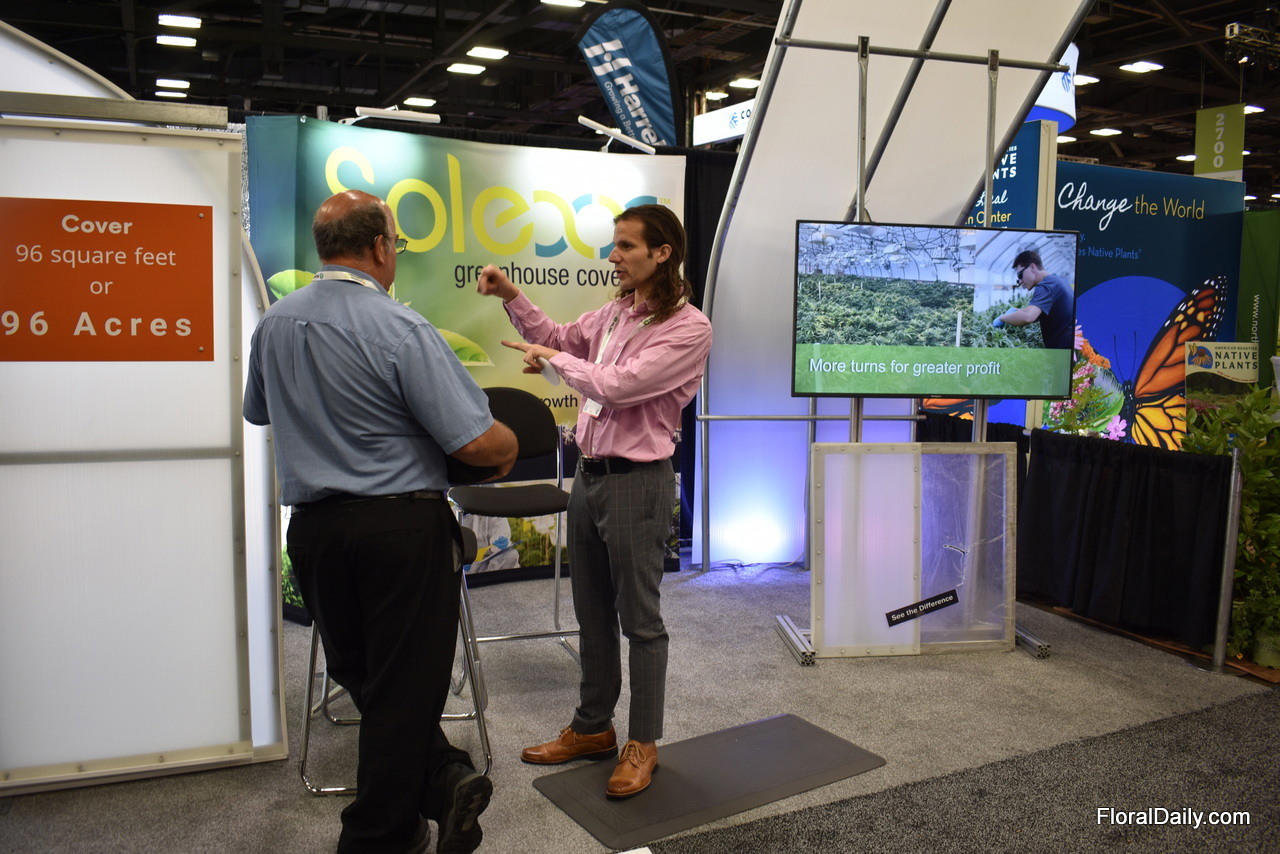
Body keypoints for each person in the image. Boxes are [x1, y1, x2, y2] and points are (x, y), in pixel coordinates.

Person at [244, 190, 517, 854]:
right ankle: (377, 835)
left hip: (314, 533)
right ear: (378, 247)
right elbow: (478, 443)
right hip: (400, 531)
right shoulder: (400, 328)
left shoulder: (274, 323)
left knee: (368, 676)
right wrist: (509, 444)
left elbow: (258, 411)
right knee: (403, 686)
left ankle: (442, 782)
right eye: (395, 243)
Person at [475, 204, 712, 799]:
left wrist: (556, 361)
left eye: (626, 246)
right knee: (591, 612)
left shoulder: (689, 328)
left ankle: (643, 743)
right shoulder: (614, 314)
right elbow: (558, 338)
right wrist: (511, 295)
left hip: (638, 481)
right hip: (589, 477)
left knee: (640, 620)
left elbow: (619, 386)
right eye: (614, 245)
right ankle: (592, 728)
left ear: (662, 253)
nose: (613, 256)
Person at [992, 249, 1075, 349]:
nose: (1020, 281)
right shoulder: (1058, 281)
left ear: (1032, 267)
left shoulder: (1046, 286)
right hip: (1070, 348)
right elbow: (1038, 315)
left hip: (1063, 351)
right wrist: (1016, 311)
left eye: (1020, 275)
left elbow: (1028, 317)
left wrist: (1002, 318)